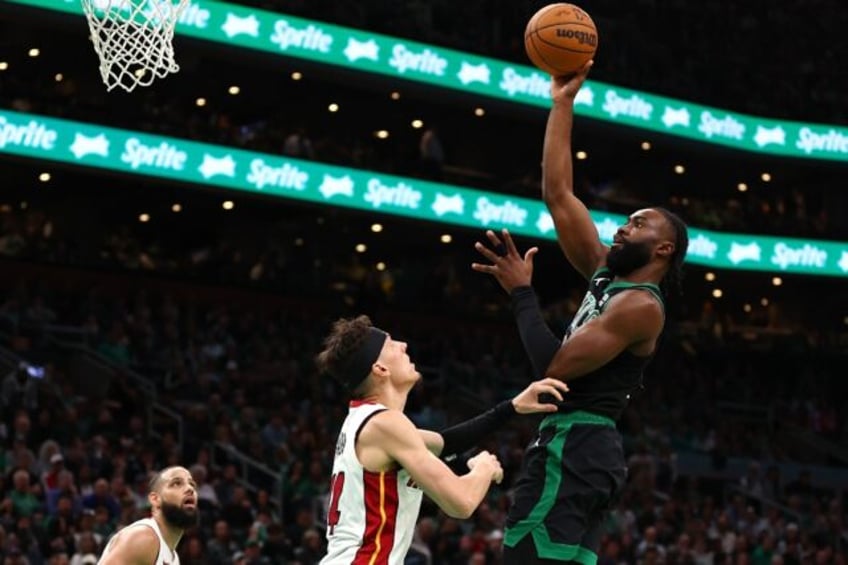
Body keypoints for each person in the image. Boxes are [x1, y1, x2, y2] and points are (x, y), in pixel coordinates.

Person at [472, 60, 689, 565]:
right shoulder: (605, 276)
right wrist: (562, 102)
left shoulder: (639, 305)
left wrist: (523, 294)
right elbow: (558, 194)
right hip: (587, 450)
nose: (622, 227)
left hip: (575, 445)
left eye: (638, 225)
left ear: (663, 252)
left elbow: (554, 370)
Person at [315, 314, 570, 565]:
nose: (403, 345)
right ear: (380, 369)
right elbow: (461, 502)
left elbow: (446, 443)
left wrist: (512, 407)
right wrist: (483, 468)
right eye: (392, 344)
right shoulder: (385, 425)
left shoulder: (365, 421)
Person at [98, 466, 198, 564]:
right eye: (176, 483)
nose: (190, 489)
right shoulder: (143, 537)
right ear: (155, 499)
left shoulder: (173, 558)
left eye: (192, 484)